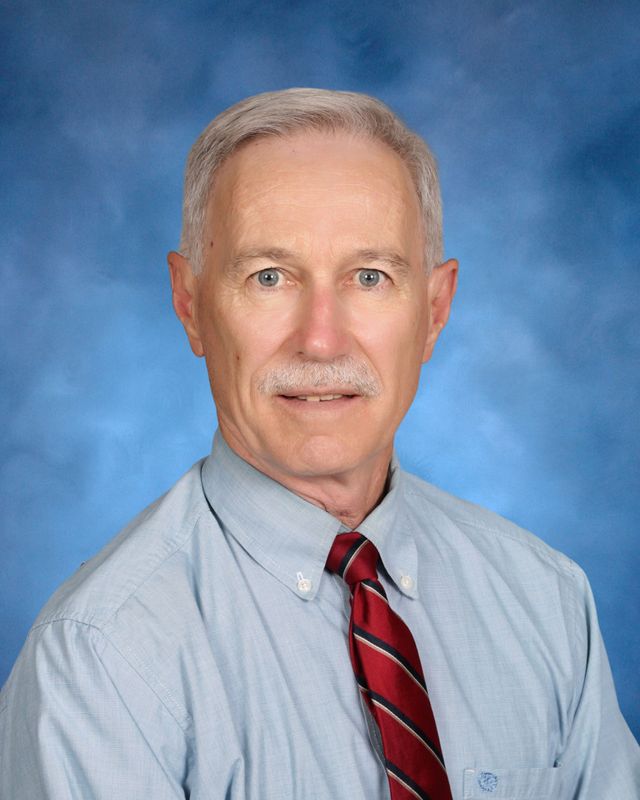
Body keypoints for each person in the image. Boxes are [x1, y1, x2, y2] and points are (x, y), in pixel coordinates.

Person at [0, 88, 638, 799]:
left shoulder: (546, 601)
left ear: (433, 311)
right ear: (191, 304)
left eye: (370, 277)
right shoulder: (100, 656)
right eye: (269, 277)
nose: (321, 338)